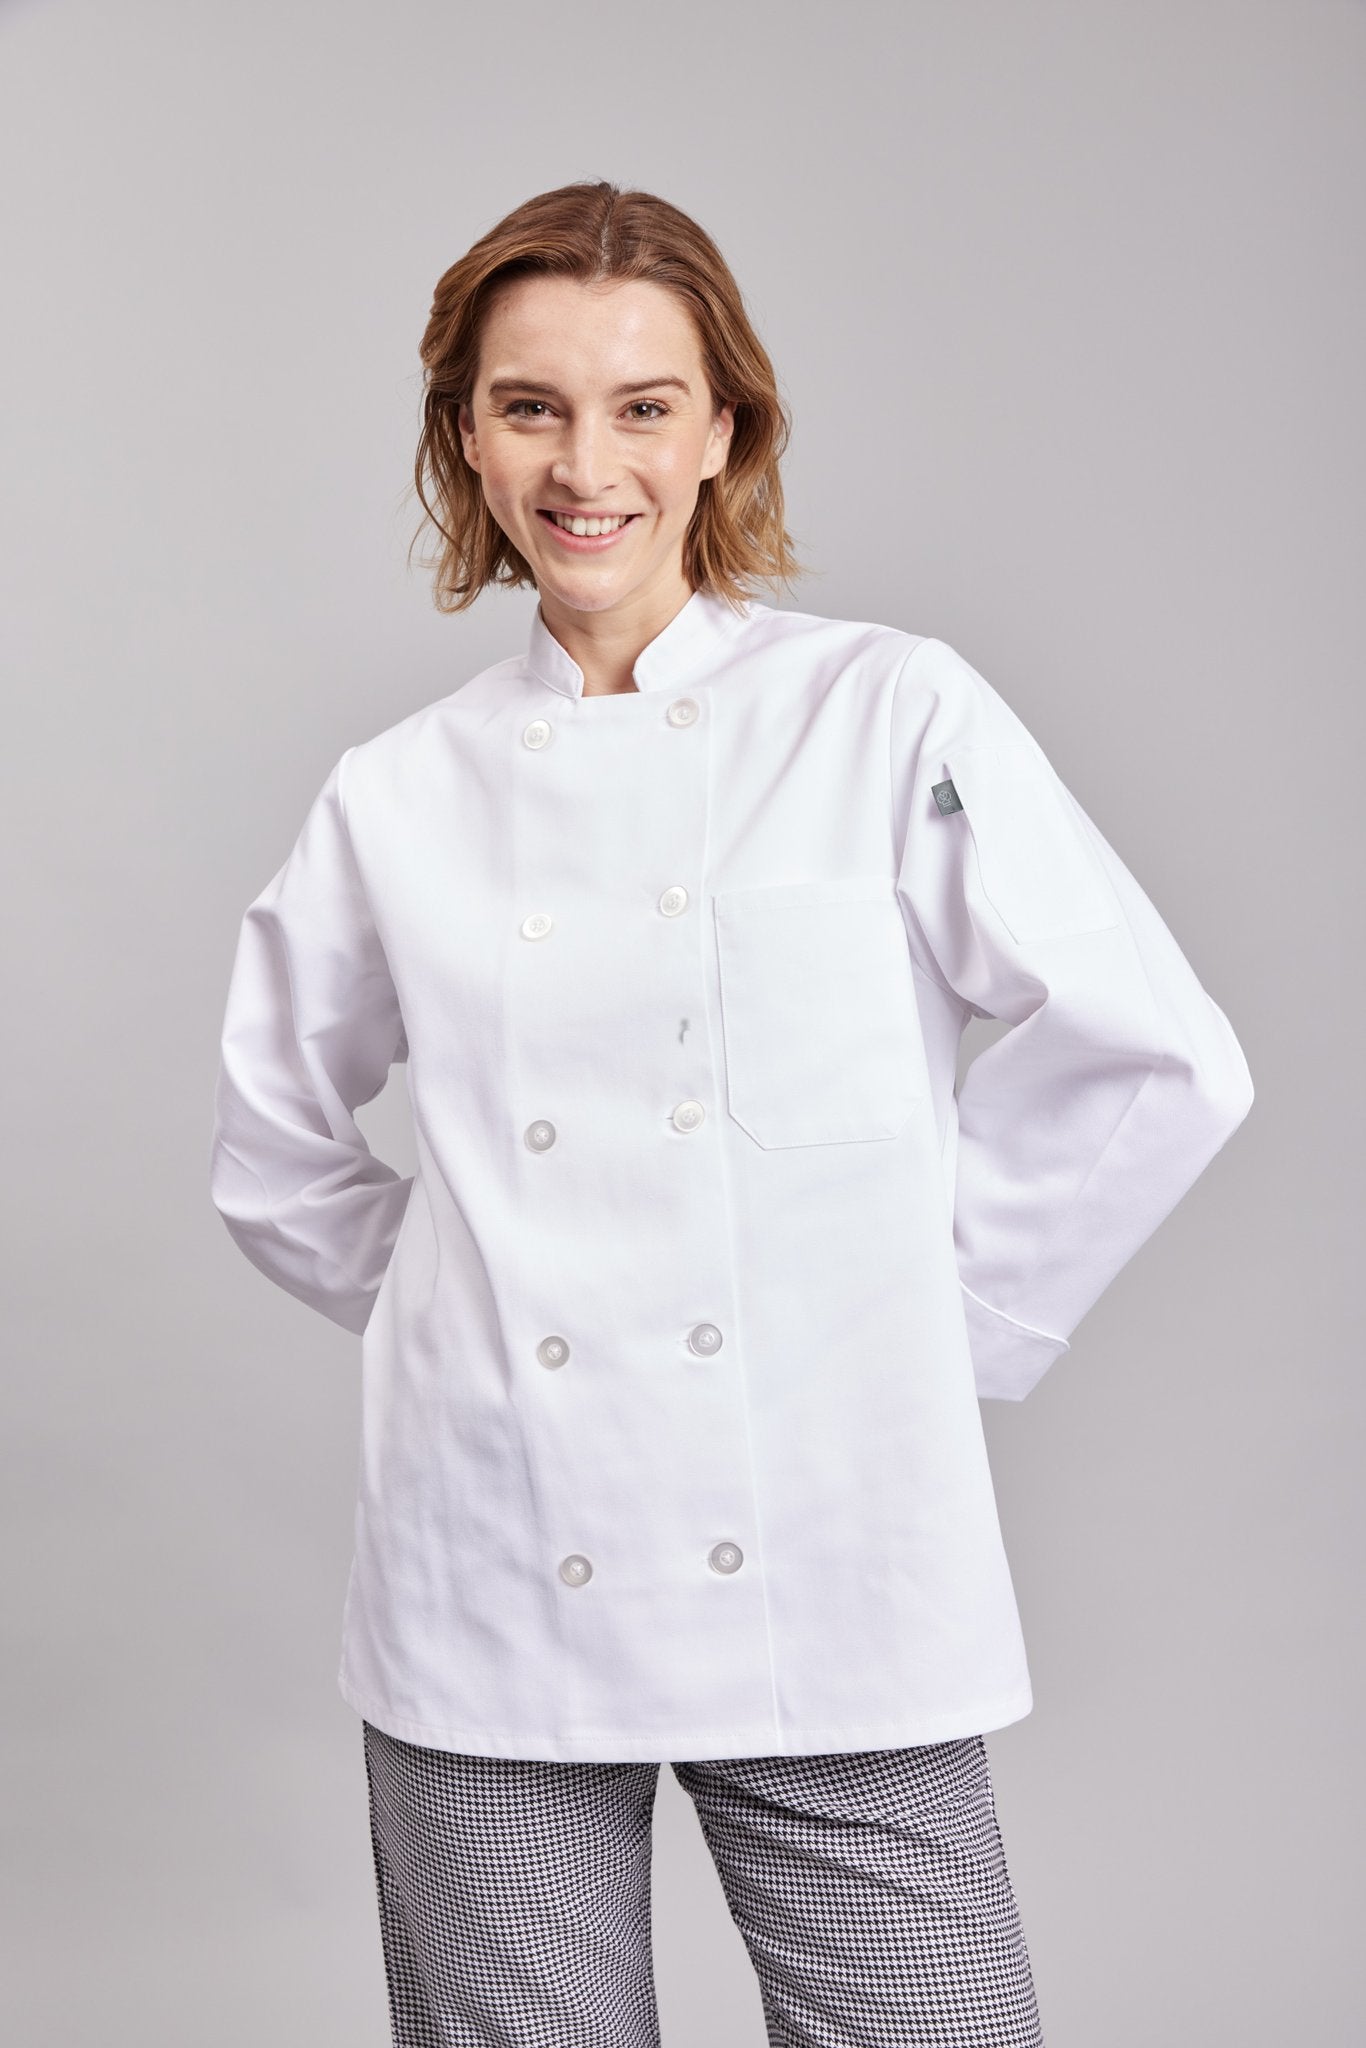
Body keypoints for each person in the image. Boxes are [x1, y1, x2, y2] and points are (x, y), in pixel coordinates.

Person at [209, 180, 1254, 2047]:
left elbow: (1156, 1053)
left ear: (722, 433)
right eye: (529, 406)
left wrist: (935, 1322)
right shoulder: (397, 794)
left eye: (641, 406)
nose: (583, 464)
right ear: (466, 435)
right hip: (492, 1561)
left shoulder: (885, 714)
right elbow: (275, 1154)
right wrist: (467, 1319)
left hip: (829, 1532)